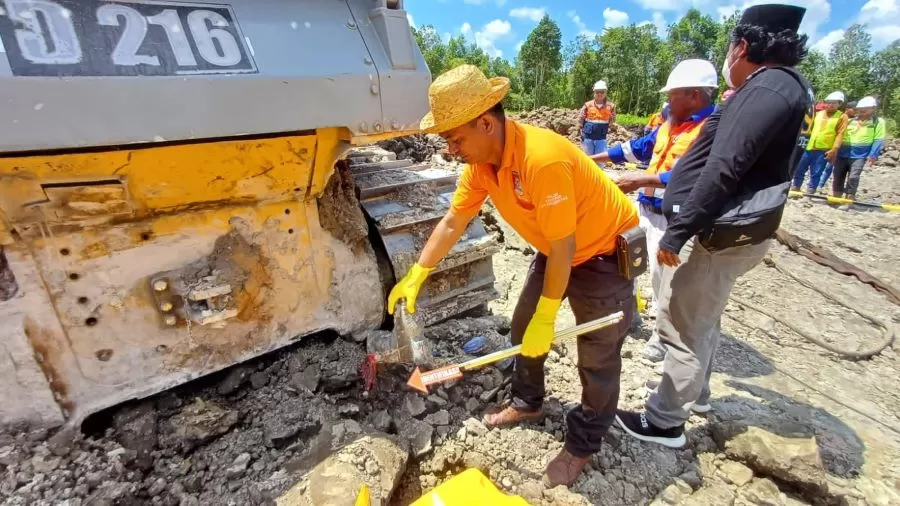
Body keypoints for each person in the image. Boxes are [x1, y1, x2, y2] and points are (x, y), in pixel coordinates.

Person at [388, 64, 639, 486]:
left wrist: (549, 316)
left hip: (602, 253)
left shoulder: (542, 159)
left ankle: (582, 444)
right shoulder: (482, 166)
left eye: (455, 137)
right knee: (523, 327)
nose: (450, 148)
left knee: (598, 355)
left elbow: (566, 247)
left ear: (486, 123)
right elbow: (453, 221)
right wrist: (418, 272)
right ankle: (528, 401)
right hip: (556, 247)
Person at [614, 4, 813, 448]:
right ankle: (696, 395)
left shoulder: (768, 91)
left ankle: (665, 422)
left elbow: (724, 167)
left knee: (683, 327)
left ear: (742, 46)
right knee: (701, 318)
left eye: (730, 47)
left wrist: (680, 231)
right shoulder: (771, 89)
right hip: (729, 230)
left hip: (718, 234)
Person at [591, 59, 718, 363]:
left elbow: (702, 176)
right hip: (646, 209)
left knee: (666, 279)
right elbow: (636, 148)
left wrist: (642, 179)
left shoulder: (712, 130)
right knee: (626, 259)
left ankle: (664, 339)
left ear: (695, 95)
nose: (667, 101)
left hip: (674, 217)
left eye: (673, 95)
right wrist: (592, 158)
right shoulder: (669, 124)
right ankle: (628, 313)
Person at [791, 91, 849, 192]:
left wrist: (834, 149)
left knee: (816, 172)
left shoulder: (842, 117)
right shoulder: (818, 114)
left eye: (834, 103)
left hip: (823, 150)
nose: (830, 105)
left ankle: (811, 191)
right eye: (829, 102)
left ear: (839, 104)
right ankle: (796, 187)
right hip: (809, 147)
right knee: (800, 168)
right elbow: (807, 129)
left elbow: (840, 134)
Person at [832, 96, 885, 200]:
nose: (863, 110)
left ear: (873, 108)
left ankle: (849, 199)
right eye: (861, 108)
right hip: (842, 153)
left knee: (853, 177)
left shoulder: (878, 122)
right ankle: (836, 198)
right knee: (838, 175)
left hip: (859, 155)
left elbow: (878, 139)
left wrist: (873, 154)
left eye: (866, 108)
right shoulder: (851, 121)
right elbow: (840, 135)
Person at [817, 100, 857, 193]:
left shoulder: (854, 120)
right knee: (827, 167)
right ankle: (820, 184)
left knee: (831, 168)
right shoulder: (840, 117)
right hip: (832, 146)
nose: (856, 111)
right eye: (854, 109)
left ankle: (822, 185)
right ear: (847, 109)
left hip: (843, 148)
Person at [578, 80, 617, 155]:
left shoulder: (611, 107)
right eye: (597, 92)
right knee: (588, 159)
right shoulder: (587, 105)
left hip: (601, 138)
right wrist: (580, 132)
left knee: (600, 159)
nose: (599, 94)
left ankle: (599, 167)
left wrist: (611, 128)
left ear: (605, 93)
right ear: (594, 93)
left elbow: (612, 121)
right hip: (588, 137)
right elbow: (580, 119)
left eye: (602, 92)